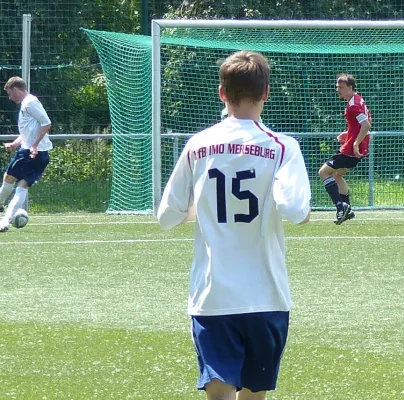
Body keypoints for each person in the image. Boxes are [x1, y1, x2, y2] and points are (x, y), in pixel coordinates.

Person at [157, 51, 311, 400]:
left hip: (214, 297)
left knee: (219, 396)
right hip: (267, 296)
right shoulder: (283, 146)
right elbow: (296, 209)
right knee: (254, 396)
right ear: (266, 93)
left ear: (221, 93)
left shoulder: (197, 145)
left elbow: (166, 217)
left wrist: (193, 209)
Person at [0, 76, 52, 232]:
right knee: (22, 186)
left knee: (9, 178)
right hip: (40, 154)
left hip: (30, 152)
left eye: (10, 93)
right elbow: (29, 130)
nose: (9, 98)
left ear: (16, 89)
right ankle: (4, 221)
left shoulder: (30, 103)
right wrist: (16, 143)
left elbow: (47, 123)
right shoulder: (27, 103)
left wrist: (34, 145)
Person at [318, 73, 372, 225]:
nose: (338, 90)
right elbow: (368, 121)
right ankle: (348, 210)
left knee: (323, 172)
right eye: (337, 87)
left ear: (350, 87)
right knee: (336, 175)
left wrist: (355, 143)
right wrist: (349, 134)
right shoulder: (358, 100)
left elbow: (366, 125)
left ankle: (341, 207)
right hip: (359, 148)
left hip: (351, 149)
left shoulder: (353, 105)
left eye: (341, 87)